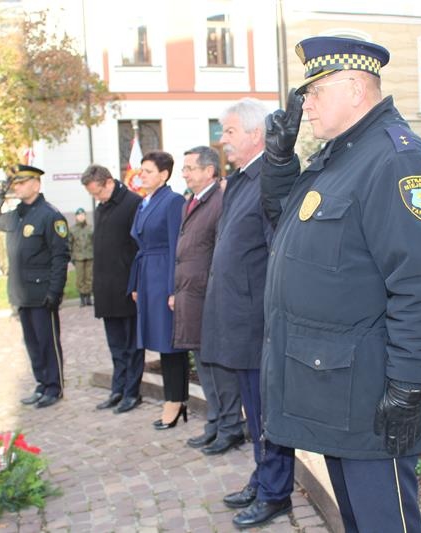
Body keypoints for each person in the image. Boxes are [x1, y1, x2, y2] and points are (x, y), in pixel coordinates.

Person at [260, 36, 421, 532]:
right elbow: (289, 228)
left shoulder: (395, 160)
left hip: (371, 394)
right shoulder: (342, 156)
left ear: (353, 89)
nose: (305, 106)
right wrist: (280, 164)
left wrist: (407, 385)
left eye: (314, 92)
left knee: (383, 523)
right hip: (338, 389)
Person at [200, 98, 295, 529]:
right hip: (238, 317)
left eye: (229, 131)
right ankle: (262, 477)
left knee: (266, 412)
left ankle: (275, 492)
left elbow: (278, 252)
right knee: (253, 413)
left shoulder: (268, 179)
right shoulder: (241, 179)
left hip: (258, 321)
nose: (222, 140)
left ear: (256, 134)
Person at [0, 164, 70, 409]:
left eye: (22, 183)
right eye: (15, 184)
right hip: (22, 292)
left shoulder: (50, 216)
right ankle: (41, 383)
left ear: (36, 184)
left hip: (42, 292)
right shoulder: (16, 215)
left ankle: (54, 387)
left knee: (47, 342)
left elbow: (60, 257)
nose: (17, 188)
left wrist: (55, 291)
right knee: (33, 344)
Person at [127, 151, 189, 426]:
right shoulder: (145, 202)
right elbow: (139, 246)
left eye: (148, 171)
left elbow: (176, 246)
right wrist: (135, 284)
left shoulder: (172, 201)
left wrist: (174, 288)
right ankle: (173, 398)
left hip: (163, 275)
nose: (142, 175)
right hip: (148, 276)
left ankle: (175, 400)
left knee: (170, 342)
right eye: (141, 170)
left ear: (164, 175)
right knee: (160, 341)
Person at [170, 146, 226, 437]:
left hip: (208, 298)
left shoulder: (220, 201)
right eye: (184, 168)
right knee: (202, 363)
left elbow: (220, 253)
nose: (185, 174)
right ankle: (215, 421)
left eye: (190, 168)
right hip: (190, 295)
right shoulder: (190, 202)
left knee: (216, 366)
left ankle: (226, 424)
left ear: (209, 171)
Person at [81, 165, 144, 414]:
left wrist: (136, 284)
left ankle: (132, 392)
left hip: (126, 288)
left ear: (108, 182)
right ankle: (118, 389)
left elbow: (138, 248)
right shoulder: (101, 208)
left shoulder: (133, 204)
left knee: (132, 346)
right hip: (106, 290)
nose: (97, 198)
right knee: (116, 346)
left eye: (98, 192)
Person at [69, 207, 94, 307]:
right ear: (76, 217)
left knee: (89, 277)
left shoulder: (90, 228)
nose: (81, 217)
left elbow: (94, 242)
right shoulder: (72, 229)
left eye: (83, 215)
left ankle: (88, 297)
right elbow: (69, 244)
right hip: (78, 257)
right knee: (80, 278)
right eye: (79, 215)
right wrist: (72, 257)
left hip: (89, 256)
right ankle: (82, 298)